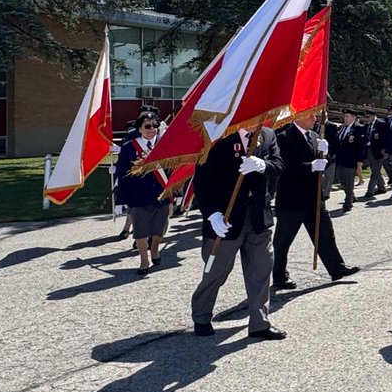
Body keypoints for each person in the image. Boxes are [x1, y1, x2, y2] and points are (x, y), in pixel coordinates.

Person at [191, 124, 285, 340]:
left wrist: (263, 165)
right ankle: (201, 315)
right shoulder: (218, 135)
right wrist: (211, 214)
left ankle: (260, 323)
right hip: (225, 219)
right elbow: (203, 180)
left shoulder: (268, 134)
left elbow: (278, 165)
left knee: (261, 270)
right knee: (217, 271)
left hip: (258, 216)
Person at [272, 111, 360, 289]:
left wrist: (324, 155)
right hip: (292, 198)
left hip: (314, 196)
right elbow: (284, 167)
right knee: (283, 240)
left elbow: (320, 163)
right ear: (299, 116)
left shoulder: (314, 136)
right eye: (311, 116)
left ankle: (336, 267)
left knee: (325, 234)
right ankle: (279, 276)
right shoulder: (283, 136)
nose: (315, 119)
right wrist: (310, 167)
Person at [114, 113, 171, 274]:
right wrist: (120, 200)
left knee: (160, 228)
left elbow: (172, 169)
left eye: (155, 126)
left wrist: (177, 191)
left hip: (162, 194)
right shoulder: (129, 147)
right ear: (139, 129)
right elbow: (122, 174)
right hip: (138, 196)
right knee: (140, 229)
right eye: (148, 126)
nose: (152, 129)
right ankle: (144, 260)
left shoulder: (165, 144)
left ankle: (154, 249)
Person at [334, 110, 363, 211]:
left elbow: (360, 146)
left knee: (349, 181)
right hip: (340, 159)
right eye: (344, 117)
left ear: (354, 118)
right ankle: (351, 195)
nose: (345, 119)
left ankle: (348, 202)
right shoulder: (342, 128)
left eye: (348, 117)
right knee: (342, 180)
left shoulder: (358, 128)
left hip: (351, 159)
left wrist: (359, 161)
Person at [361, 110, 388, 199]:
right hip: (369, 150)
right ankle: (382, 187)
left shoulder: (381, 124)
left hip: (379, 150)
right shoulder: (366, 125)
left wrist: (385, 149)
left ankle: (370, 190)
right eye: (366, 117)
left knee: (375, 171)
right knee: (374, 170)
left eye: (368, 117)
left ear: (373, 116)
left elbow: (385, 138)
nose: (366, 119)